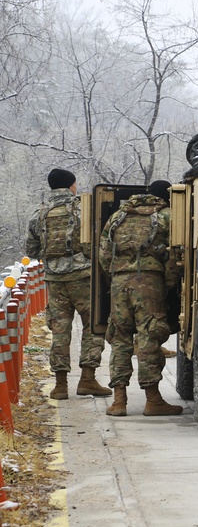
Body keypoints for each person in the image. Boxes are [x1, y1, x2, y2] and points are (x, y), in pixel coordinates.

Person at [26, 168, 112, 400]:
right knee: (93, 326)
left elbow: (31, 250)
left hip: (54, 281)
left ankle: (60, 385)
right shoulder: (85, 208)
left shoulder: (40, 213)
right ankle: (87, 379)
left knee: (60, 331)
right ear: (72, 185)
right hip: (84, 278)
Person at [99, 180, 182, 417]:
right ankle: (153, 400)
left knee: (120, 338)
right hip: (150, 282)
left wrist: (115, 276)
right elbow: (174, 255)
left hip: (118, 283)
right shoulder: (167, 216)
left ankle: (118, 401)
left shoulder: (118, 216)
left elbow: (104, 253)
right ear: (167, 197)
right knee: (150, 336)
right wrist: (166, 284)